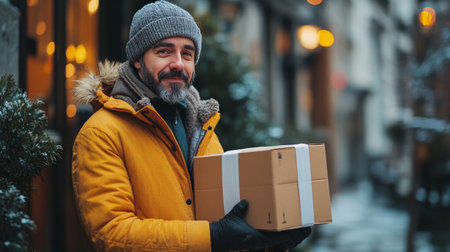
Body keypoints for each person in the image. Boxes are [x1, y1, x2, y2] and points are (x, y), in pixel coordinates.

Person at [72, 1, 311, 251]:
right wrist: (213, 236)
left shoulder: (202, 128)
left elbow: (229, 226)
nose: (178, 63)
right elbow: (112, 234)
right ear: (138, 61)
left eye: (187, 54)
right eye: (164, 51)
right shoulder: (101, 133)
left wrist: (268, 244)